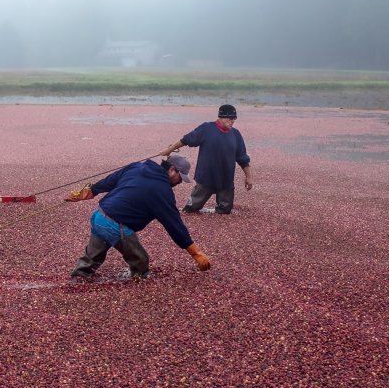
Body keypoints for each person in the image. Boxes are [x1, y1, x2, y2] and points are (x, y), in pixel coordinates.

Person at [66, 155, 211, 280]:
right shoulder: (162, 191)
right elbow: (174, 225)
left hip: (99, 216)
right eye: (180, 177)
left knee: (93, 255)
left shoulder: (136, 167)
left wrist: (91, 191)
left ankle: (79, 276)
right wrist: (196, 253)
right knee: (141, 262)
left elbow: (110, 180)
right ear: (172, 170)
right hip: (116, 226)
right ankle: (138, 277)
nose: (180, 182)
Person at [160, 104, 253, 215]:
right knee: (190, 209)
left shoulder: (236, 134)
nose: (232, 121)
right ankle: (194, 207)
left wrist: (249, 177)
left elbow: (242, 158)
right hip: (205, 178)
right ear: (221, 117)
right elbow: (186, 140)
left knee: (225, 211)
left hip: (226, 180)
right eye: (230, 118)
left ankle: (219, 210)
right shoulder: (206, 129)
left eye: (234, 119)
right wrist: (170, 149)